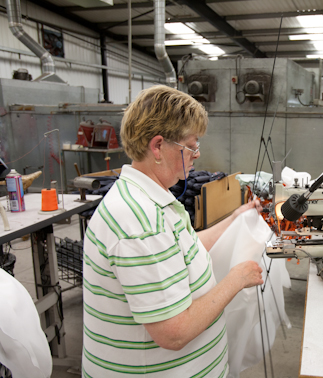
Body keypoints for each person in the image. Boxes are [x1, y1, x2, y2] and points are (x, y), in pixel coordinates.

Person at [82, 85, 264, 377]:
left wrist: (235, 218)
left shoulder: (154, 199)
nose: (197, 154)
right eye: (191, 146)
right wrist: (236, 280)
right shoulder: (139, 220)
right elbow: (173, 333)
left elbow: (185, 249)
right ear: (157, 147)